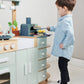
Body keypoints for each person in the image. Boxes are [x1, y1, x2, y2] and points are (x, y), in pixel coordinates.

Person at [47, 0, 76, 84]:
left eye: (58, 9)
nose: (58, 11)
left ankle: (64, 82)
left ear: (65, 8)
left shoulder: (65, 21)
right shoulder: (65, 19)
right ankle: (66, 79)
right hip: (65, 50)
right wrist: (51, 28)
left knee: (62, 66)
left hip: (65, 50)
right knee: (64, 66)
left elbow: (71, 36)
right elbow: (59, 28)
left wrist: (64, 44)